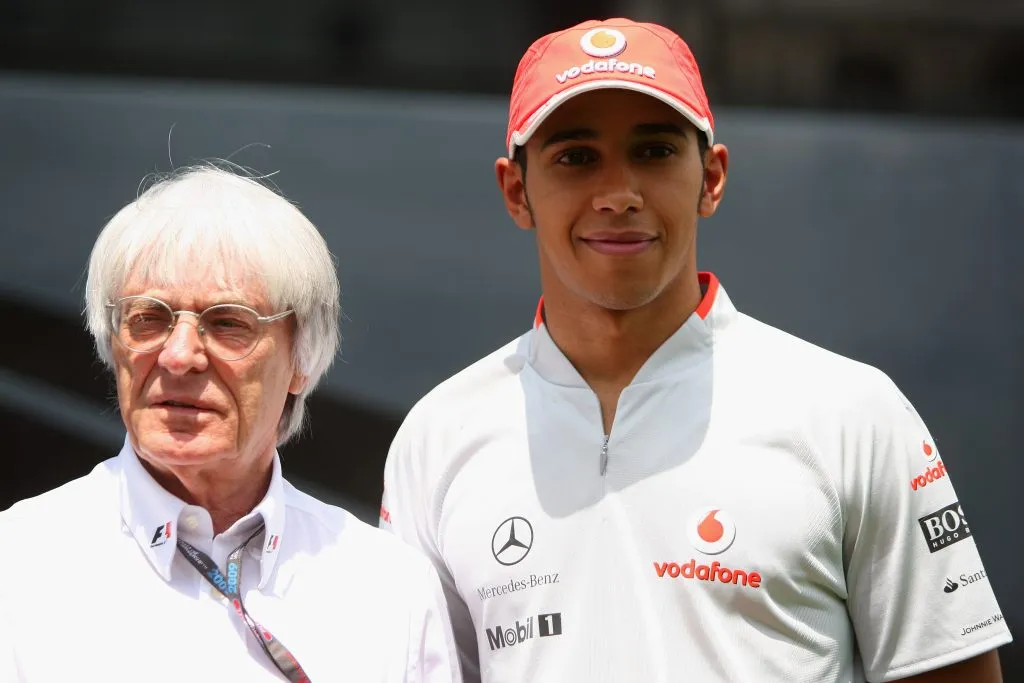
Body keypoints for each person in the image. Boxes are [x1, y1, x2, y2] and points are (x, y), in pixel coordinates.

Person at [380, 17, 1012, 683]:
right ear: (517, 191)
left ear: (711, 177)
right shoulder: (437, 436)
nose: (619, 195)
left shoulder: (852, 412)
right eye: (575, 156)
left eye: (653, 152)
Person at [0, 166, 461, 682]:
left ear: (301, 359)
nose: (178, 356)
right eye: (148, 319)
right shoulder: (17, 565)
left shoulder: (387, 589)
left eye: (227, 323)